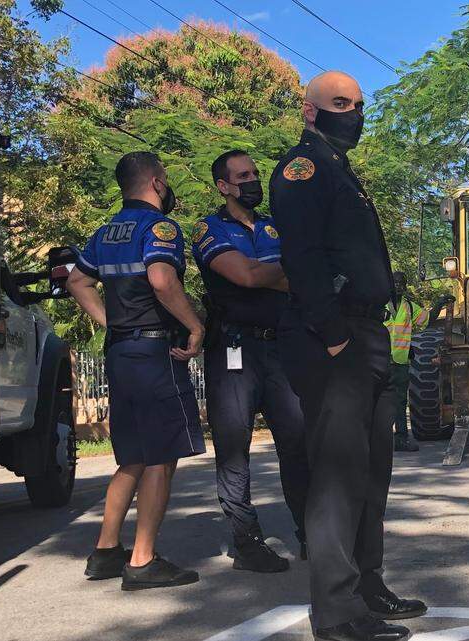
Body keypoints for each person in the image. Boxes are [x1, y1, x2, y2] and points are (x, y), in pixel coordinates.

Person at [270, 71, 426, 641]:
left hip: (368, 336)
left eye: (359, 104)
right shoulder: (302, 169)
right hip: (333, 339)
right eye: (340, 103)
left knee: (371, 473)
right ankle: (336, 614)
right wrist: (333, 332)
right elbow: (302, 255)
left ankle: (368, 586)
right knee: (336, 475)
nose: (353, 113)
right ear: (310, 111)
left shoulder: (340, 170)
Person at [68, 151, 206, 591]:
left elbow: (76, 281)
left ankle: (106, 551)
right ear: (156, 182)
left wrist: (112, 322)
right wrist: (194, 325)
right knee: (161, 459)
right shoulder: (159, 228)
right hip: (154, 355)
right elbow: (163, 280)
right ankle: (143, 560)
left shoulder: (105, 232)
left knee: (132, 457)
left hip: (121, 353)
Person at [191, 149, 311, 573]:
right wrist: (281, 275)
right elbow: (244, 276)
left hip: (280, 348)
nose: (253, 181)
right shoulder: (209, 228)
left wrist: (270, 275)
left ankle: (311, 534)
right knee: (233, 449)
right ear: (223, 186)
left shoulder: (274, 226)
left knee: (297, 443)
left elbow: (303, 277)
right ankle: (247, 542)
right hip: (233, 350)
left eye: (255, 173)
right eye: (243, 176)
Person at [384, 272, 451, 453]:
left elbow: (427, 320)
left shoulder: (409, 308)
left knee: (399, 402)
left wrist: (439, 304)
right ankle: (379, 439)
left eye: (401, 283)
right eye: (394, 282)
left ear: (405, 287)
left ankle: (401, 438)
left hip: (400, 363)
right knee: (378, 402)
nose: (398, 286)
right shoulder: (377, 305)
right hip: (379, 361)